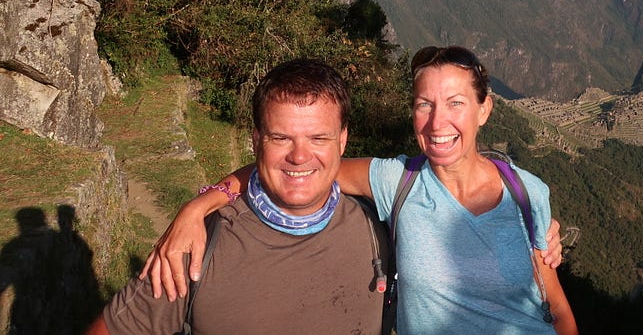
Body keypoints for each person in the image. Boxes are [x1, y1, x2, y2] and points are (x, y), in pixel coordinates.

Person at [148, 46, 578, 335]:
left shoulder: (527, 191)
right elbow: (295, 163)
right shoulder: (397, 182)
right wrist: (200, 205)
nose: (436, 122)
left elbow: (553, 303)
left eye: (455, 103)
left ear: (484, 109)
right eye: (424, 104)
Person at [85, 58, 390, 334]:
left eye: (318, 138)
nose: (299, 156)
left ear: (342, 141)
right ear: (257, 141)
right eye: (281, 138)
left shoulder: (380, 227)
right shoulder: (196, 246)